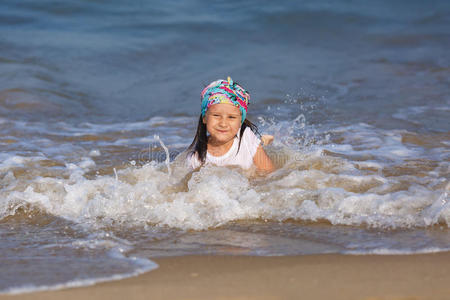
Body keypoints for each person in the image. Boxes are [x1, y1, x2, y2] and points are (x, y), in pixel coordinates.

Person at [186, 77, 275, 174]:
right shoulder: (196, 158)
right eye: (216, 115)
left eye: (231, 117)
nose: (223, 124)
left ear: (240, 121)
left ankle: (263, 141)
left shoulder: (246, 138)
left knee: (261, 145)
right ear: (204, 118)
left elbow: (269, 173)